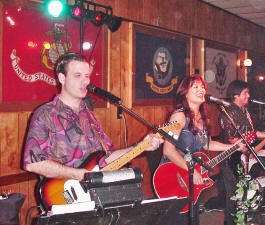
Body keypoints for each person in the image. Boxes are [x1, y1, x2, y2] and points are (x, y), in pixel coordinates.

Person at [23, 53, 163, 187]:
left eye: (87, 76)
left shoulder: (89, 115)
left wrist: (140, 147)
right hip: (63, 196)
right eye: (77, 76)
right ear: (62, 78)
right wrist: (77, 174)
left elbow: (107, 158)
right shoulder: (46, 114)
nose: (85, 81)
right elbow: (33, 163)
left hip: (93, 195)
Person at [161, 74, 245, 225]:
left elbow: (206, 144)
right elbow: (168, 150)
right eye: (196, 87)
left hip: (193, 177)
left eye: (203, 87)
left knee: (192, 218)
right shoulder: (178, 116)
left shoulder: (203, 118)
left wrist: (232, 146)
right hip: (174, 175)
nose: (201, 90)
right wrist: (190, 171)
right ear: (185, 92)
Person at [218, 80, 265, 225]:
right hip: (232, 160)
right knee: (234, 196)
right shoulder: (228, 113)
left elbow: (250, 133)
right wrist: (246, 151)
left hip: (245, 157)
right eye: (245, 93)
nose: (248, 96)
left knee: (245, 194)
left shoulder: (245, 111)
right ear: (236, 95)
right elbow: (230, 140)